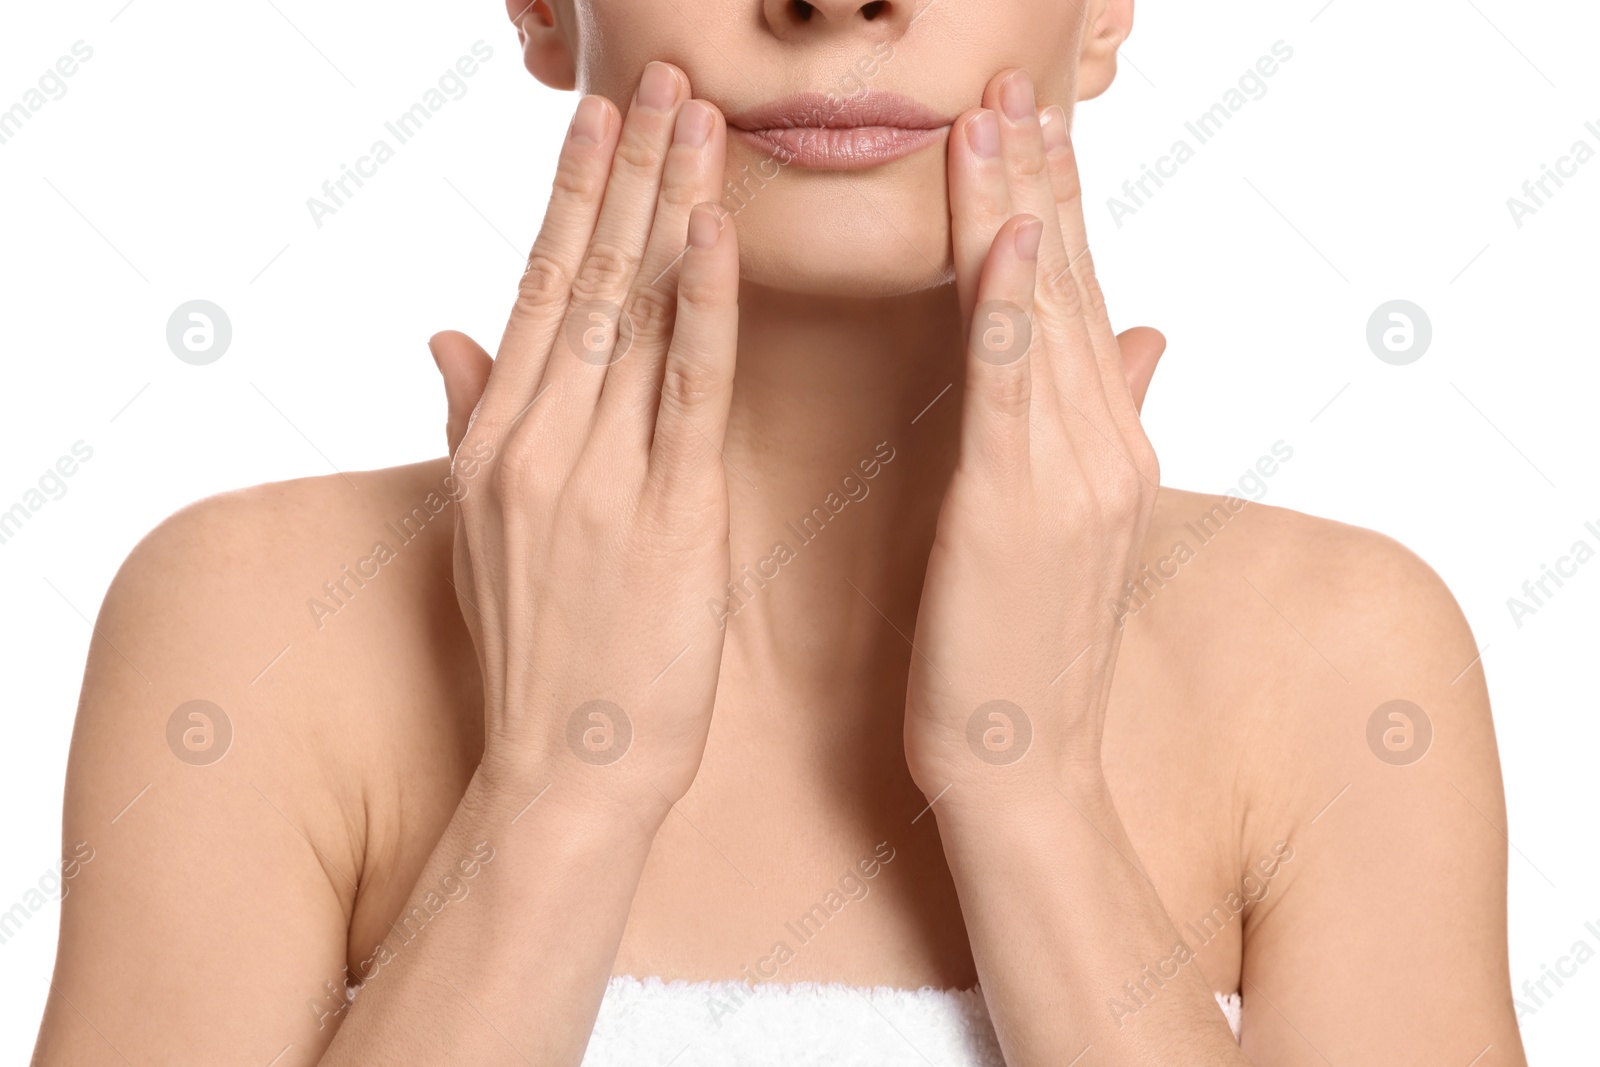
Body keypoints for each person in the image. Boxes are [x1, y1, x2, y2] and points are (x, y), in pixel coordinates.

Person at [33, 0, 1526, 1063]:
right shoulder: (249, 624)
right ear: (541, 7)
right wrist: (559, 789)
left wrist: (1033, 792)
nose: (837, 1)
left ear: (1106, 14)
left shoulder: (1343, 660)